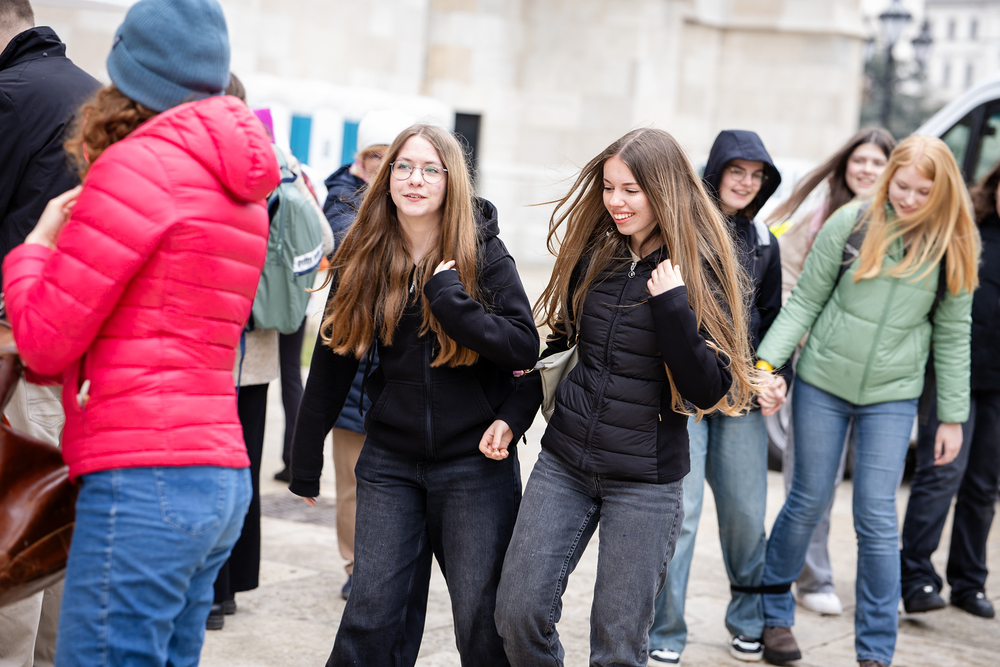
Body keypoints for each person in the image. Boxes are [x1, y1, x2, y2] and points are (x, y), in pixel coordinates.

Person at [1, 1, 280, 664]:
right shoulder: (241, 190)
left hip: (142, 477)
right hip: (218, 474)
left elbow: (43, 341)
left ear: (129, 68)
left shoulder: (134, 170)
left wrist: (35, 247)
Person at [491, 128, 761, 667]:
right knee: (517, 612)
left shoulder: (701, 267)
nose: (616, 201)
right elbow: (562, 345)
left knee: (617, 647)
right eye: (609, 187)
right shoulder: (597, 254)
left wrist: (673, 306)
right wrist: (512, 416)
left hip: (646, 482)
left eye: (631, 190)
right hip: (564, 464)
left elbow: (709, 388)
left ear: (664, 190)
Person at [289, 123, 538, 666]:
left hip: (474, 465)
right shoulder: (366, 253)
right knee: (372, 613)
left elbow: (523, 347)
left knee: (481, 619)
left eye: (430, 169)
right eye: (403, 167)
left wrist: (449, 300)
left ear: (451, 182)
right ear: (386, 178)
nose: (414, 179)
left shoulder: (482, 253)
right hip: (390, 461)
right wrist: (304, 457)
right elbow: (333, 358)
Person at [755, 134, 980, 667]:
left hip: (892, 394)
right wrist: (765, 366)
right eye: (901, 186)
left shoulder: (953, 243)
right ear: (889, 177)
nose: (908, 199)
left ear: (943, 191)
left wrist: (952, 417)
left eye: (923, 192)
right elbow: (805, 301)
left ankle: (876, 650)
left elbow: (953, 336)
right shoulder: (852, 222)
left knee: (876, 516)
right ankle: (773, 615)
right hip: (823, 382)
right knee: (808, 500)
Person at [647, 129, 783, 665]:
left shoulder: (765, 240)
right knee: (679, 516)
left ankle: (748, 621)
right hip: (688, 396)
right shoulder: (684, 230)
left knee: (746, 514)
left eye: (756, 176)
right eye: (737, 171)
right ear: (716, 171)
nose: (746, 183)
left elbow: (771, 317)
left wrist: (774, 373)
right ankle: (664, 631)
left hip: (742, 398)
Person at [0, 1, 98, 664]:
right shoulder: (93, 94)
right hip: (81, 343)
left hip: (16, 336)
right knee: (58, 508)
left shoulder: (10, 93)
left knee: (12, 509)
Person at [763, 128, 896, 617]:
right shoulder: (821, 217)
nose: (867, 170)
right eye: (859, 160)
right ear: (845, 166)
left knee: (868, 495)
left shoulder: (899, 222)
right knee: (810, 481)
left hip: (878, 376)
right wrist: (806, 339)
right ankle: (812, 577)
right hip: (816, 366)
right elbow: (789, 279)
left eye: (877, 162)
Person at [305, 108, 414, 601]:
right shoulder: (342, 199)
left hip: (396, 376)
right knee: (351, 483)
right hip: (353, 372)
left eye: (395, 159)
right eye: (377, 157)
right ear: (362, 159)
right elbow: (353, 245)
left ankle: (386, 565)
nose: (386, 168)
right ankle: (356, 567)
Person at [899, 157, 1000, 619]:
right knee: (942, 471)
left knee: (983, 484)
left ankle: (969, 581)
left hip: (997, 386)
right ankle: (915, 576)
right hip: (950, 371)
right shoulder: (966, 229)